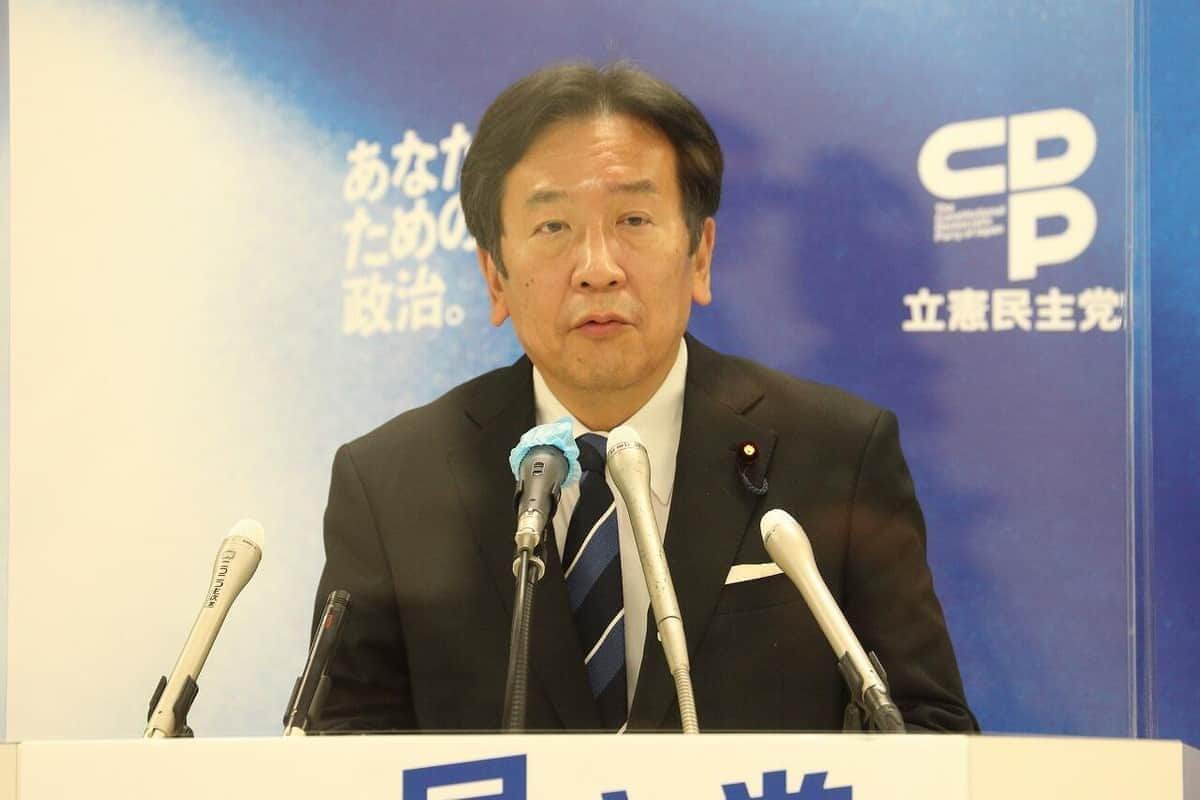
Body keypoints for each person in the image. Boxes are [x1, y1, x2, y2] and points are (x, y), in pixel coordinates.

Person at [312, 62, 977, 733]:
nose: (598, 269)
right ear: (494, 276)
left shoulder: (836, 455)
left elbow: (927, 732)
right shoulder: (392, 485)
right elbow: (337, 752)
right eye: (552, 227)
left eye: (634, 219)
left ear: (700, 255)